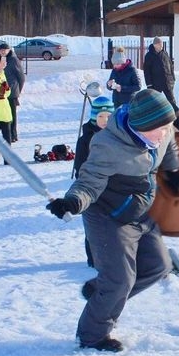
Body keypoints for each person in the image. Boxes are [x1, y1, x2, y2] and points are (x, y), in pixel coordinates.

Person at [46, 89, 179, 352]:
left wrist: (173, 169)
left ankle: (102, 292)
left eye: (168, 126)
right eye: (160, 129)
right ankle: (92, 336)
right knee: (119, 280)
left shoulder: (161, 130)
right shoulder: (107, 144)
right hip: (107, 215)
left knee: (157, 266)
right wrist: (73, 202)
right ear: (142, 126)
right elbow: (89, 180)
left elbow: (170, 142)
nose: (166, 132)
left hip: (141, 209)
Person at [73, 95, 115, 268]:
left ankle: (113, 256)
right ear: (93, 117)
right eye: (100, 117)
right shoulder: (85, 140)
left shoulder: (117, 137)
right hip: (91, 190)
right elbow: (80, 166)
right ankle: (93, 259)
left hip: (112, 189)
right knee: (93, 226)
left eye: (108, 117)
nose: (104, 120)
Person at [0, 42, 25, 142]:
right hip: (1, 91)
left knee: (11, 114)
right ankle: (6, 133)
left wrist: (17, 90)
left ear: (9, 50)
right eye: (1, 50)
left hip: (11, 91)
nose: (3, 52)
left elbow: (21, 76)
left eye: (5, 50)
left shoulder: (13, 60)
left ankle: (13, 134)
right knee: (3, 114)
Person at [143, 37, 179, 113]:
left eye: (162, 44)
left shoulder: (165, 53)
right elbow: (147, 71)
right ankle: (154, 117)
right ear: (155, 45)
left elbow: (170, 66)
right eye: (160, 44)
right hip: (155, 83)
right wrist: (149, 84)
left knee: (171, 101)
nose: (161, 46)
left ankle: (176, 115)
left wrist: (172, 78)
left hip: (167, 82)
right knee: (154, 102)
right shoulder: (149, 56)